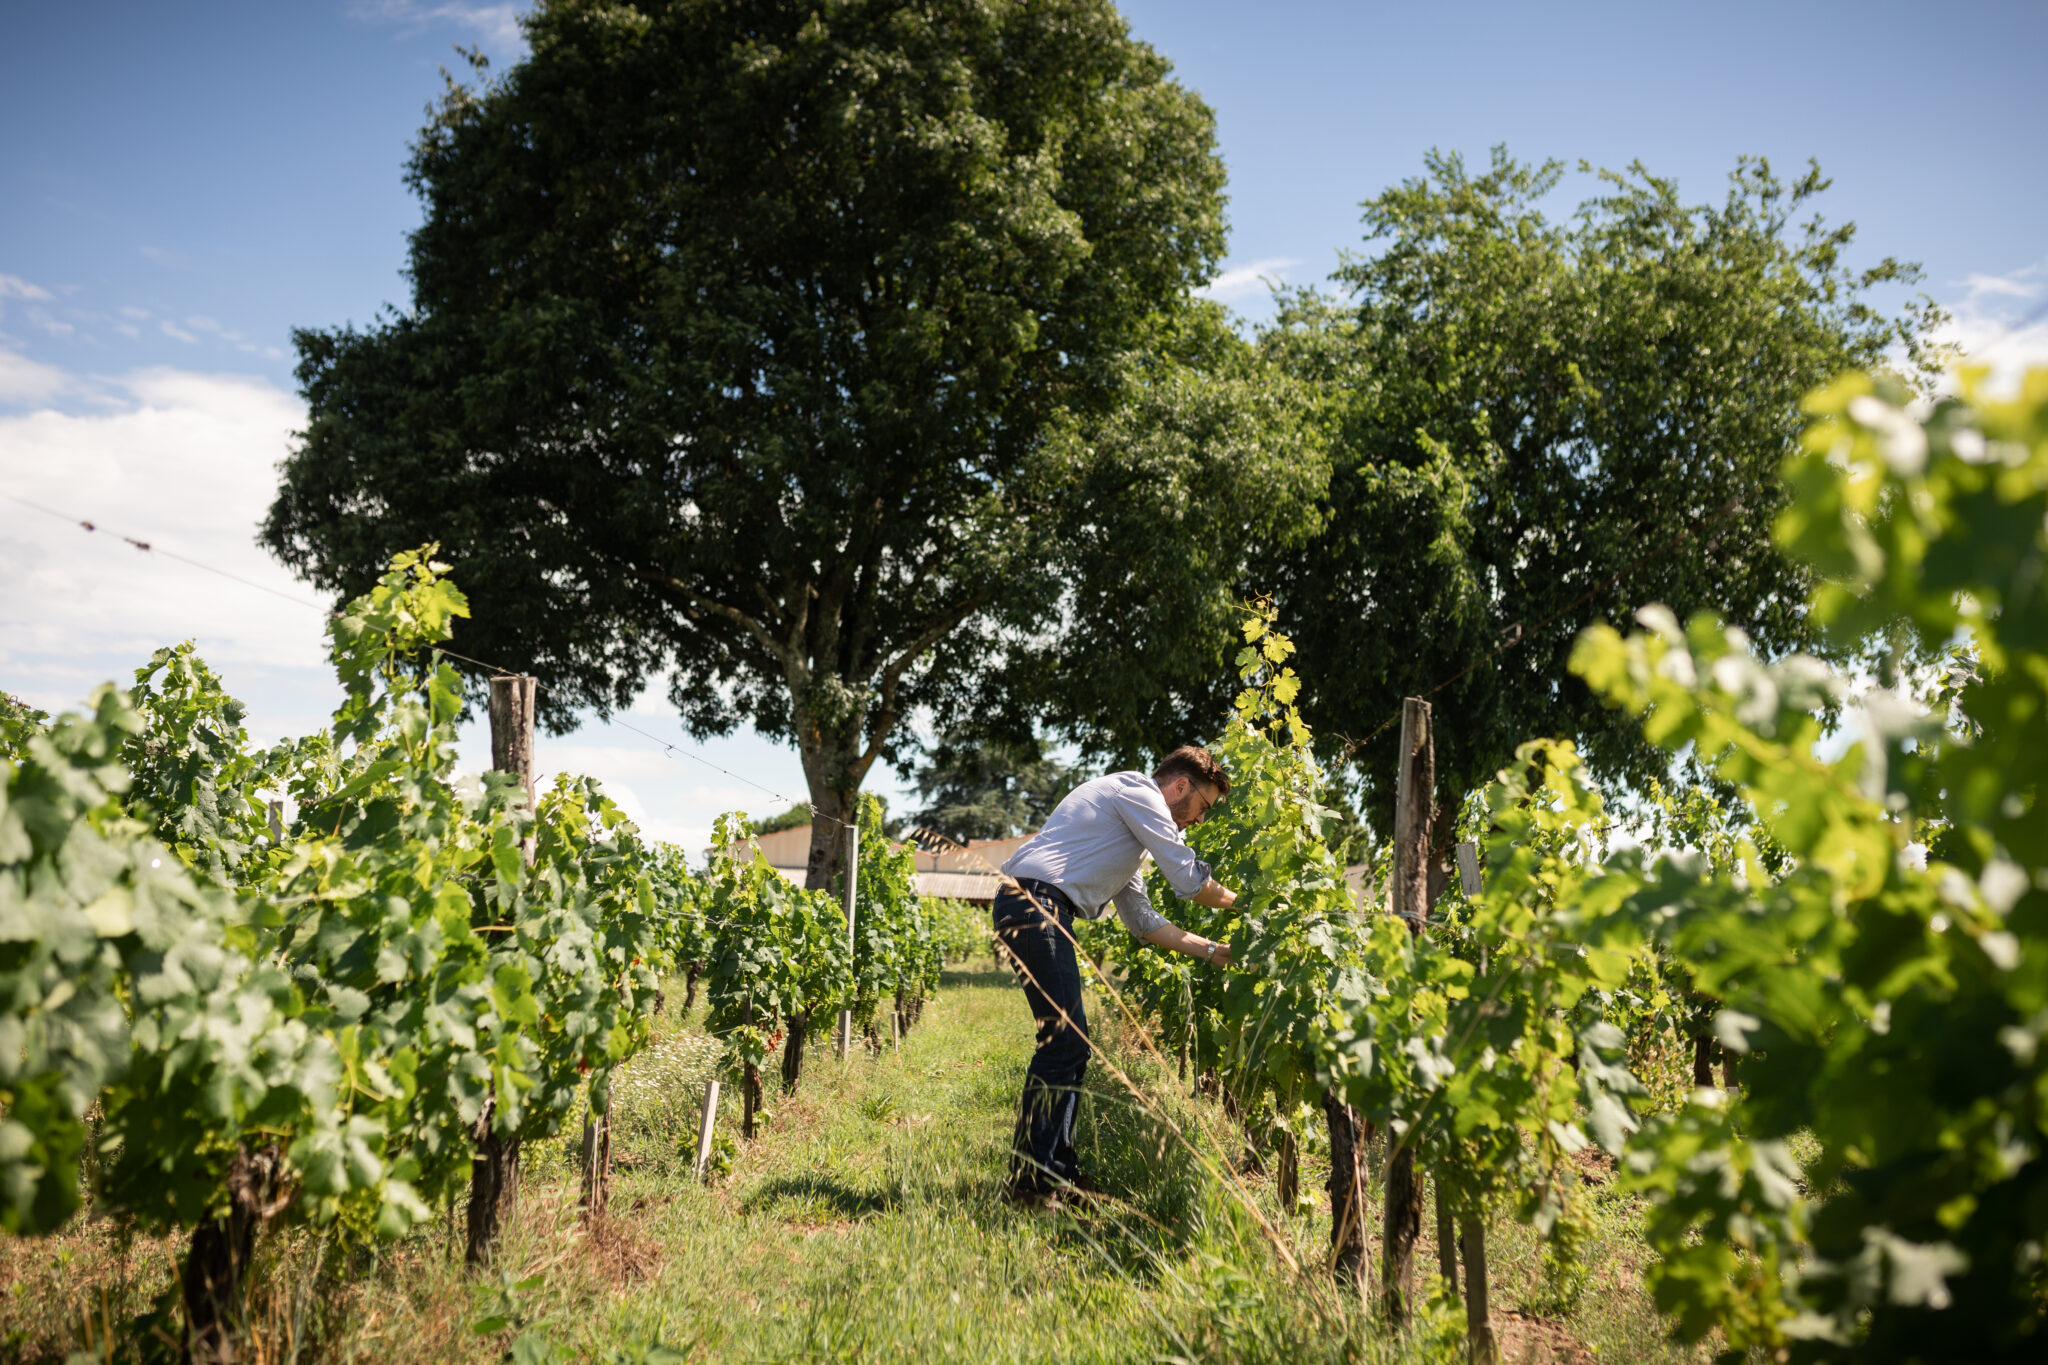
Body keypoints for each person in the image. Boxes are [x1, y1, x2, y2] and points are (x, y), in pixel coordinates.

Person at [994, 745, 1240, 1207]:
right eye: (1203, 806)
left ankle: (1054, 1175)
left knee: (1070, 1044)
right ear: (1181, 785)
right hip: (1035, 905)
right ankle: (1029, 1184)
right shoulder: (1139, 794)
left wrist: (1213, 952)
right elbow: (1189, 882)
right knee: (1064, 1042)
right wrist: (1244, 903)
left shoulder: (1127, 832)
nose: (1200, 820)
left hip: (1041, 907)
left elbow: (1143, 922)